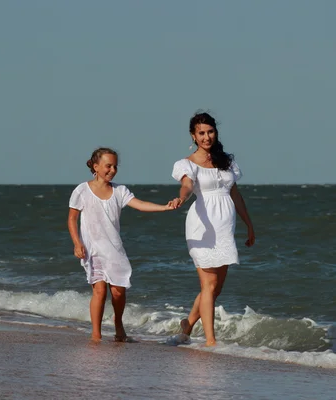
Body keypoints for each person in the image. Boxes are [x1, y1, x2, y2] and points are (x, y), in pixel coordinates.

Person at [68, 147, 176, 342]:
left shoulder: (119, 191)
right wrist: (77, 243)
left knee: (118, 292)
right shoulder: (82, 190)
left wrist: (164, 207)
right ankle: (96, 334)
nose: (112, 170)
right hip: (92, 250)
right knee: (99, 290)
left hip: (114, 249)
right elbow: (71, 219)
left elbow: (139, 204)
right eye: (108, 165)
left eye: (115, 166)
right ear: (96, 166)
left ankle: (118, 323)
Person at [171, 112, 255, 346]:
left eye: (210, 132)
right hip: (201, 225)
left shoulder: (226, 161)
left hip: (225, 226)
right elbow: (187, 186)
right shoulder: (186, 163)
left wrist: (249, 225)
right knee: (207, 285)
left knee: (216, 288)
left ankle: (187, 325)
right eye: (201, 133)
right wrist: (181, 199)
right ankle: (210, 340)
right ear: (193, 136)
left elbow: (235, 194)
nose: (207, 137)